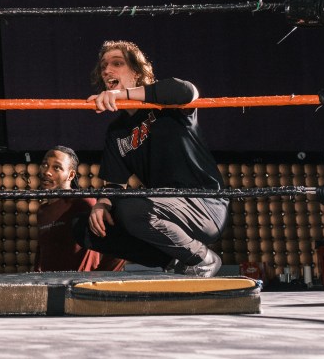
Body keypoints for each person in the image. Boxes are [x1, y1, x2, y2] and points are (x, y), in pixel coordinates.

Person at [73, 40, 228, 277]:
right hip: (162, 210)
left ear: (136, 72)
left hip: (204, 205)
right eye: (104, 66)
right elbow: (115, 183)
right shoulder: (117, 131)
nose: (107, 70)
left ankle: (203, 258)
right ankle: (174, 261)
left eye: (117, 63)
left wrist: (122, 94)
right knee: (85, 227)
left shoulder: (164, 104)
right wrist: (102, 204)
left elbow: (188, 91)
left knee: (131, 208)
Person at [34, 146, 125, 273]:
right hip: (49, 287)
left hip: (78, 288)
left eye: (57, 167)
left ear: (71, 175)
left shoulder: (83, 202)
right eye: (44, 165)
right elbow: (42, 253)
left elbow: (119, 247)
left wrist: (98, 279)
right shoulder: (42, 211)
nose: (47, 172)